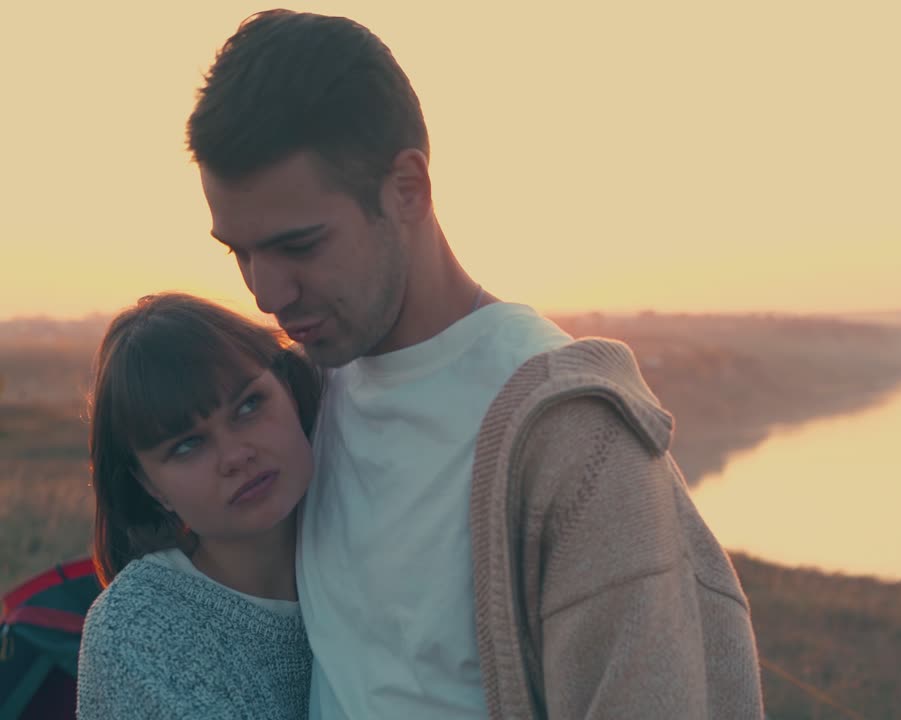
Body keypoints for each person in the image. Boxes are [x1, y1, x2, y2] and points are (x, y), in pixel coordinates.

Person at [187, 10, 765, 719]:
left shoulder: (574, 440)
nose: (266, 293)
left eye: (299, 246)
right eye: (239, 252)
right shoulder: (299, 404)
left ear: (408, 188)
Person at [76, 293, 323, 719]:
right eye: (188, 445)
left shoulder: (374, 541)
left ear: (289, 392)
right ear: (150, 486)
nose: (235, 456)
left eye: (249, 405)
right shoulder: (139, 631)